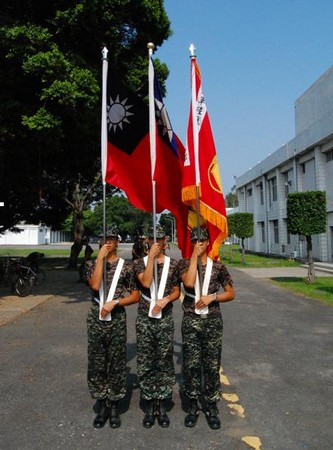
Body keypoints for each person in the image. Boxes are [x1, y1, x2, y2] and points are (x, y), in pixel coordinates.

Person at [178, 227, 235, 430]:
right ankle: (193, 405)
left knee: (211, 364)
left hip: (212, 320)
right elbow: (189, 282)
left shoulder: (218, 267)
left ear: (208, 243)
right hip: (191, 319)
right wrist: (194, 256)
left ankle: (211, 406)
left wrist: (214, 297)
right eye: (195, 241)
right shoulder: (184, 264)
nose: (198, 244)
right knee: (192, 364)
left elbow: (231, 293)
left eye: (202, 241)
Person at [84, 225, 139, 429]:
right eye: (102, 238)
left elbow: (135, 296)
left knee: (116, 360)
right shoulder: (91, 264)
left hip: (116, 317)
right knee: (97, 360)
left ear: (117, 241)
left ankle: (114, 404)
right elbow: (95, 285)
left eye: (110, 238)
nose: (106, 242)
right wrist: (100, 259)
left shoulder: (127, 267)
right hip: (95, 317)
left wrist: (115, 303)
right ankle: (101, 403)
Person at [133, 225, 180, 428]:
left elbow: (177, 291)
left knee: (164, 360)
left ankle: (162, 403)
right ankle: (149, 404)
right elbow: (145, 282)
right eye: (151, 239)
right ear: (147, 241)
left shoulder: (174, 264)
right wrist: (150, 258)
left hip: (165, 317)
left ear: (165, 240)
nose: (155, 242)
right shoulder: (138, 263)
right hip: (145, 318)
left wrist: (166, 299)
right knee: (146, 360)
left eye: (158, 239)